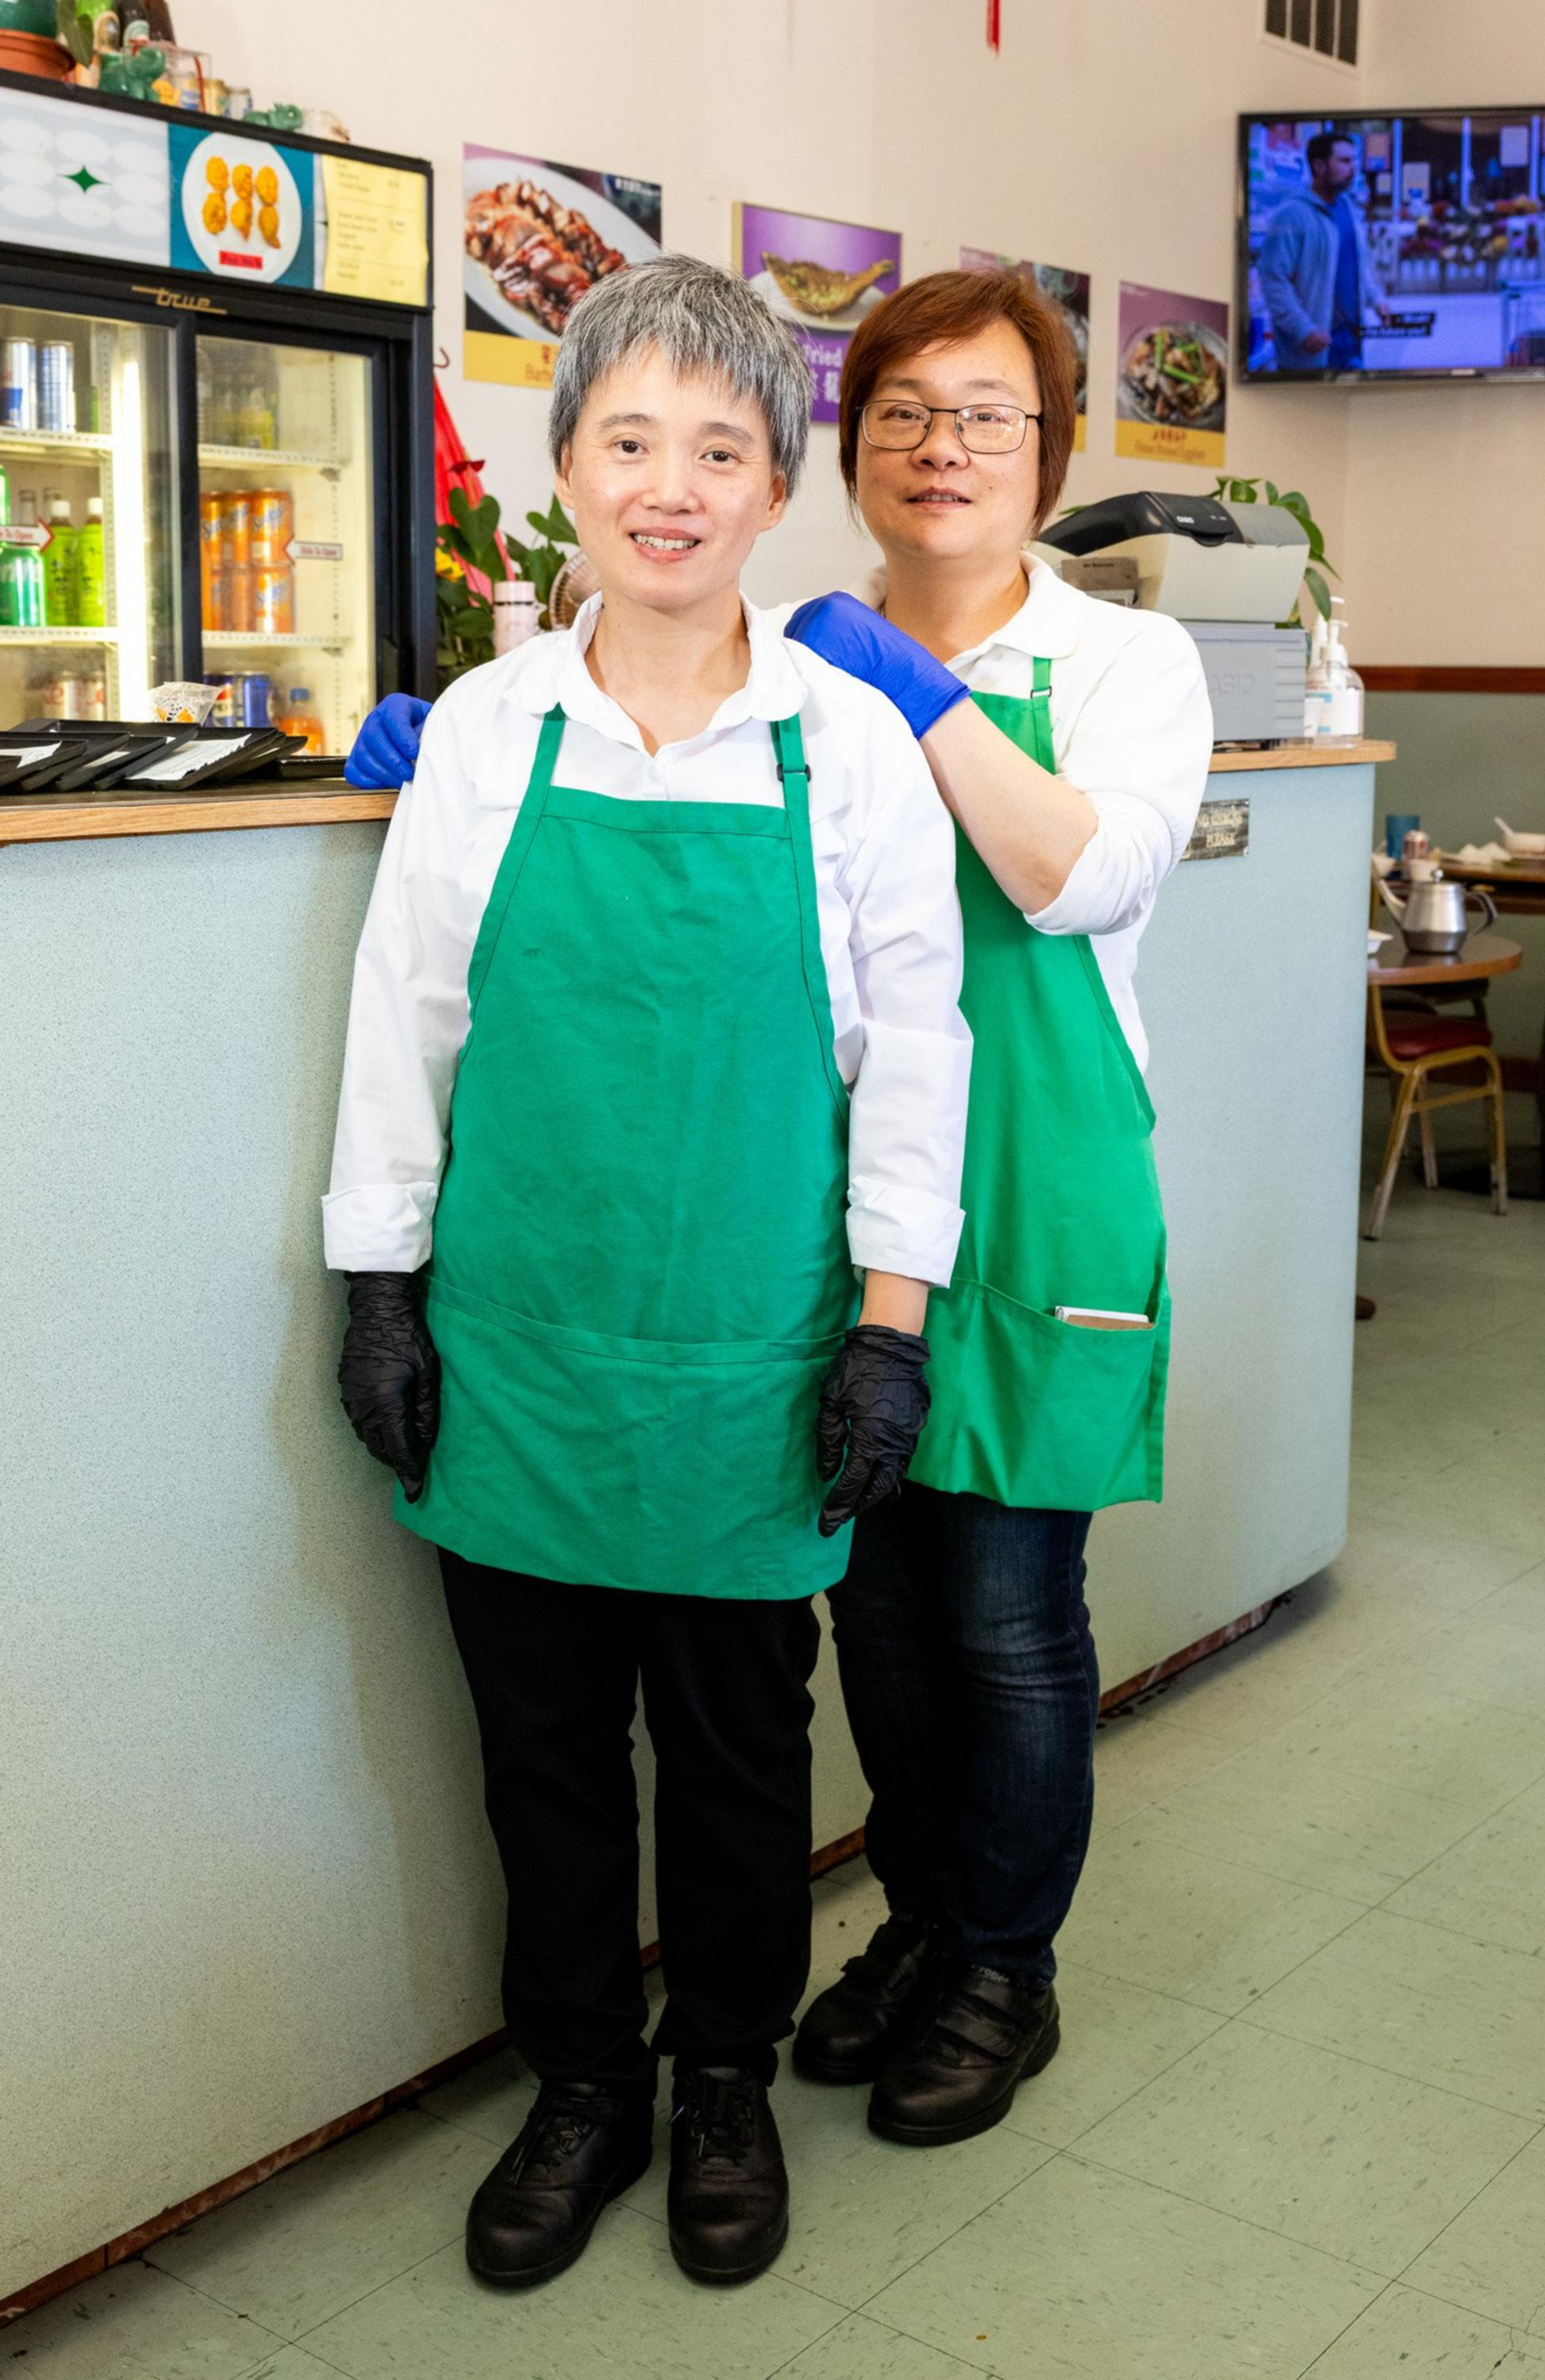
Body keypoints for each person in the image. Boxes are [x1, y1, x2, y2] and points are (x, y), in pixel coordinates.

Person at [347, 266, 1212, 2154]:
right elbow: (417, 1009)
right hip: (671, 1271)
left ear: (1050, 450)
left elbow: (1038, 918)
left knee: (992, 1616)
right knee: (868, 1634)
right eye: (907, 409)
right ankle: (869, 1946)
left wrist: (918, 707)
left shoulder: (1063, 676)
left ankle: (993, 1959)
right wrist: (381, 1273)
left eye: (987, 413)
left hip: (989, 1200)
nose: (943, 445)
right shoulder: (617, 697)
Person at [326, 257, 970, 2288]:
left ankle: (719, 2087)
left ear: (777, 482)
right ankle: (582, 2082)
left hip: (749, 1360)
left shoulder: (850, 748)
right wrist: (377, 1287)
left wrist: (889, 1329)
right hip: (515, 1347)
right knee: (536, 1755)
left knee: (734, 1748)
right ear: (569, 470)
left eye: (718, 444)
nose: (670, 486)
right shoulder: (490, 738)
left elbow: (917, 1057)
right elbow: (403, 1029)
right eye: (630, 441)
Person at [1258, 129, 1388, 371]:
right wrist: (1303, 330)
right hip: (1310, 355)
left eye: (1355, 160)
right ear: (1319, 167)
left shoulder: (1348, 209)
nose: (1354, 168)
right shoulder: (1292, 215)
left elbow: (1358, 266)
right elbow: (1273, 280)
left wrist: (1377, 300)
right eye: (1345, 161)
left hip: (1350, 345)